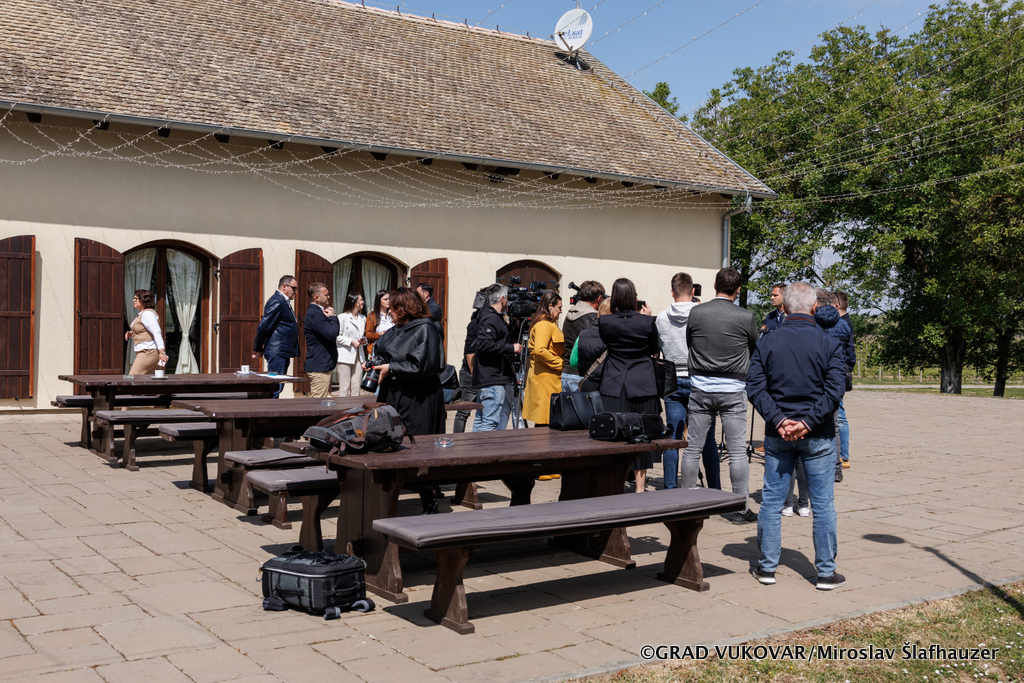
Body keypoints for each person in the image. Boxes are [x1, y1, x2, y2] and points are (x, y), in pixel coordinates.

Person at [746, 282, 847, 590]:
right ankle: (826, 572)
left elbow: (755, 387)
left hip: (779, 434)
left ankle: (767, 567)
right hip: (817, 434)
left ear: (785, 308)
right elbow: (835, 390)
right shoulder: (829, 343)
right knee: (823, 504)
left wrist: (779, 419)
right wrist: (808, 422)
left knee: (772, 502)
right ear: (814, 307)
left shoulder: (767, 342)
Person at [679, 267, 759, 523]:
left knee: (692, 448)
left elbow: (690, 342)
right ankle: (740, 509)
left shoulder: (697, 312)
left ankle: (686, 506)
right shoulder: (745, 316)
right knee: (737, 452)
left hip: (701, 386)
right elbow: (755, 347)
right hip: (733, 388)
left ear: (715, 285)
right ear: (738, 289)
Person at [371, 287, 445, 513]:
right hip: (394, 392)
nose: (389, 312)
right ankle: (386, 497)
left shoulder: (426, 328)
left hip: (418, 396)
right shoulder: (397, 329)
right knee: (388, 440)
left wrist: (391, 367)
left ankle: (429, 502)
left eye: (393, 308)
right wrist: (375, 364)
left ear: (404, 308)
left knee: (418, 445)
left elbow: (423, 365)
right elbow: (383, 351)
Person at [656, 272, 721, 490]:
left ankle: (670, 488)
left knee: (673, 438)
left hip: (672, 378)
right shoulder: (703, 315)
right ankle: (714, 489)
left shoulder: (661, 318)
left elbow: (660, 347)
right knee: (707, 438)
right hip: (699, 378)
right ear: (693, 291)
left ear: (672, 292)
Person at [598, 278, 660, 492]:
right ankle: (640, 488)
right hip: (642, 382)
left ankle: (614, 484)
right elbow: (654, 349)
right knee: (642, 434)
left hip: (614, 383)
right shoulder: (647, 322)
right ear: (633, 297)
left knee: (613, 434)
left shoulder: (605, 322)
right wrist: (647, 318)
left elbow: (607, 343)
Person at [814, 288, 853, 483]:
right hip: (836, 379)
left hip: (816, 380)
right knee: (835, 424)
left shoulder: (813, 324)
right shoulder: (844, 325)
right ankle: (837, 467)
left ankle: (813, 464)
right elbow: (851, 356)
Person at [472, 284, 522, 431]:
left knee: (481, 421)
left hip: (488, 377)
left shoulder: (488, 316)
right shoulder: (491, 318)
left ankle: (475, 445)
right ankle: (485, 447)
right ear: (502, 299)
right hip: (492, 379)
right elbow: (484, 344)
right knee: (490, 422)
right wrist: (511, 348)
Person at [252, 275, 300, 398]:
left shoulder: (283, 301)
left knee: (277, 387)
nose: (296, 292)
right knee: (274, 388)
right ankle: (270, 410)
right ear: (284, 287)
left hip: (282, 351)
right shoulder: (277, 301)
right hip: (277, 351)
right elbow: (264, 326)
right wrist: (258, 348)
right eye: (294, 288)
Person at [523, 292, 564, 427]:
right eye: (559, 307)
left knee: (545, 422)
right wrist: (559, 364)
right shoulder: (544, 324)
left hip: (545, 378)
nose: (561, 311)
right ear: (550, 306)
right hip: (545, 379)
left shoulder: (544, 323)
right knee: (545, 423)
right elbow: (540, 350)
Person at [560, 280, 605, 393]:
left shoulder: (569, 314)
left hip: (566, 373)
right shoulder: (593, 318)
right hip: (581, 376)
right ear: (599, 298)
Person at [453, 289, 486, 433]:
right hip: (470, 373)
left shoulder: (487, 322)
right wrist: (474, 373)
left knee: (482, 411)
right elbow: (469, 351)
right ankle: (457, 439)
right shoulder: (475, 324)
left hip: (482, 373)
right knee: (463, 412)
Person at [303, 282, 339, 399]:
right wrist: (333, 317)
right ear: (317, 298)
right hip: (319, 366)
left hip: (321, 365)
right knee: (318, 403)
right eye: (326, 295)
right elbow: (332, 334)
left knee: (319, 401)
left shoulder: (318, 312)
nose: (329, 297)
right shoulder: (315, 314)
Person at [570, 297, 612, 392]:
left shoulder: (583, 334)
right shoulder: (616, 335)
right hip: (609, 387)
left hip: (587, 385)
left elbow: (573, 362)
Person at [834, 291, 855, 469]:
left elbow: (849, 355)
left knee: (839, 415)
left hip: (838, 373)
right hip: (842, 373)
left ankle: (843, 456)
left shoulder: (843, 323)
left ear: (836, 306)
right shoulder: (846, 322)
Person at [125, 289, 169, 375]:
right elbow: (146, 333)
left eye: (136, 298)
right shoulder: (143, 314)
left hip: (148, 352)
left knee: (133, 378)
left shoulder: (147, 314)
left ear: (143, 300)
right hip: (146, 351)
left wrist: (162, 352)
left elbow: (157, 333)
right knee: (147, 380)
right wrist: (133, 335)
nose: (133, 300)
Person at [335, 292, 366, 397]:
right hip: (345, 355)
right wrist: (351, 341)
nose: (363, 302)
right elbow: (336, 337)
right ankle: (343, 407)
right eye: (360, 300)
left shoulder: (363, 318)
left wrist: (363, 341)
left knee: (356, 387)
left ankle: (355, 407)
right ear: (353, 301)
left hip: (359, 356)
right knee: (344, 387)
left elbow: (362, 335)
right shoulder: (342, 317)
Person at [364, 289, 392, 357]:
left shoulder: (393, 314)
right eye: (385, 299)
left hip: (392, 348)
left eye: (389, 299)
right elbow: (367, 334)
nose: (388, 301)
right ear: (379, 301)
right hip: (377, 349)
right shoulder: (372, 315)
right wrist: (378, 335)